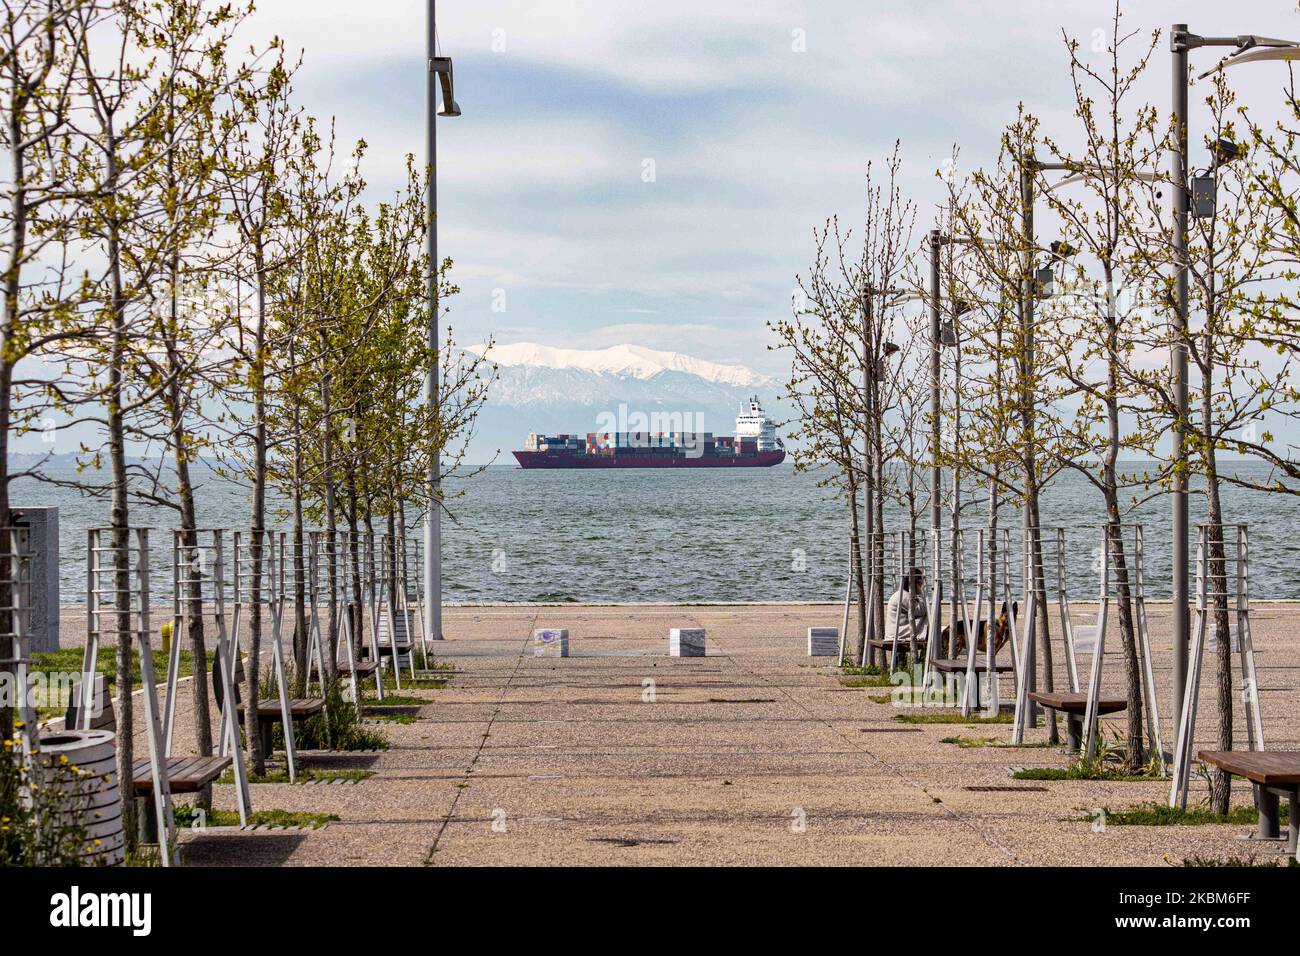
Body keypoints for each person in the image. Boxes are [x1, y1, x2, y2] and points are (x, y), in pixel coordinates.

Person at [885, 567, 928, 648]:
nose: (922, 584)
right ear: (916, 583)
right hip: (898, 634)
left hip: (898, 631)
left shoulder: (902, 594)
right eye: (920, 583)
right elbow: (921, 610)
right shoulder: (904, 596)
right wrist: (921, 592)